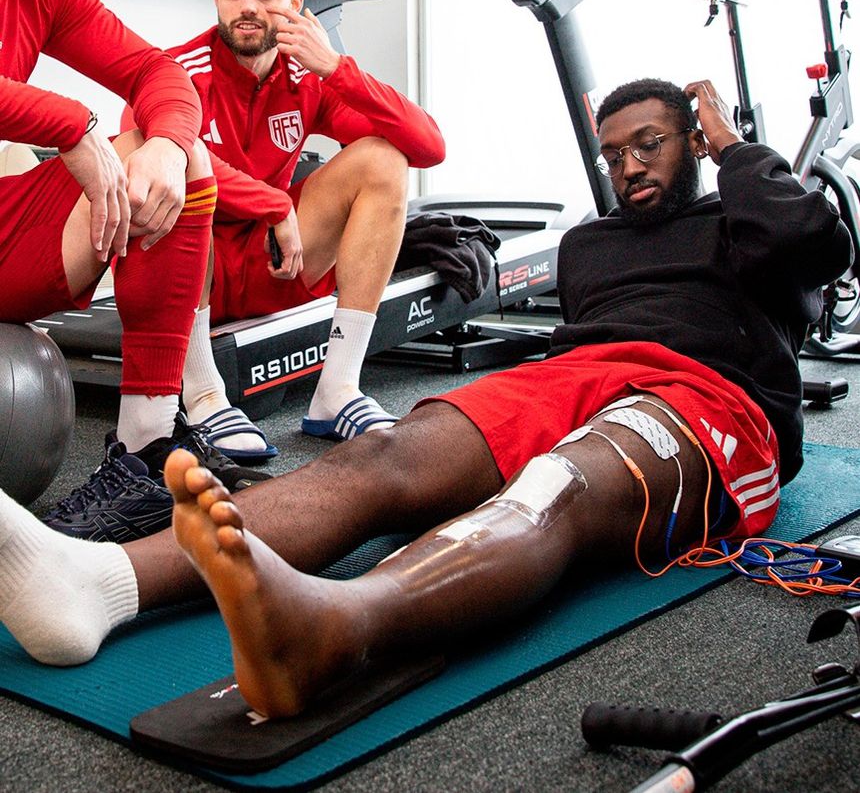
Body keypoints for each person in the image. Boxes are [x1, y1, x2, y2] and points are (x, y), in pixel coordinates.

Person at [0, 78, 851, 720]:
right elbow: (582, 345)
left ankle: (338, 626)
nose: (630, 166)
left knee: (555, 485)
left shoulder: (750, 223)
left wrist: (737, 147)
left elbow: (815, 242)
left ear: (693, 144)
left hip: (705, 394)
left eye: (653, 144)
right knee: (386, 454)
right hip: (572, 376)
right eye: (615, 152)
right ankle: (100, 582)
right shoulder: (588, 246)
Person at [122, 0, 446, 462]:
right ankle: (203, 397)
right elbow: (143, 153)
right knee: (170, 168)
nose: (248, 6)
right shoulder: (175, 71)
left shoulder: (306, 78)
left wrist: (337, 68)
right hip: (188, 271)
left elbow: (428, 146)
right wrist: (271, 205)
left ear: (295, 5)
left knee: (383, 158)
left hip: (277, 263)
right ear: (218, 0)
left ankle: (337, 391)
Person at [0, 0, 271, 540]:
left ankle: (144, 452)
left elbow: (157, 70)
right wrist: (73, 126)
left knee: (179, 162)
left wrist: (169, 147)